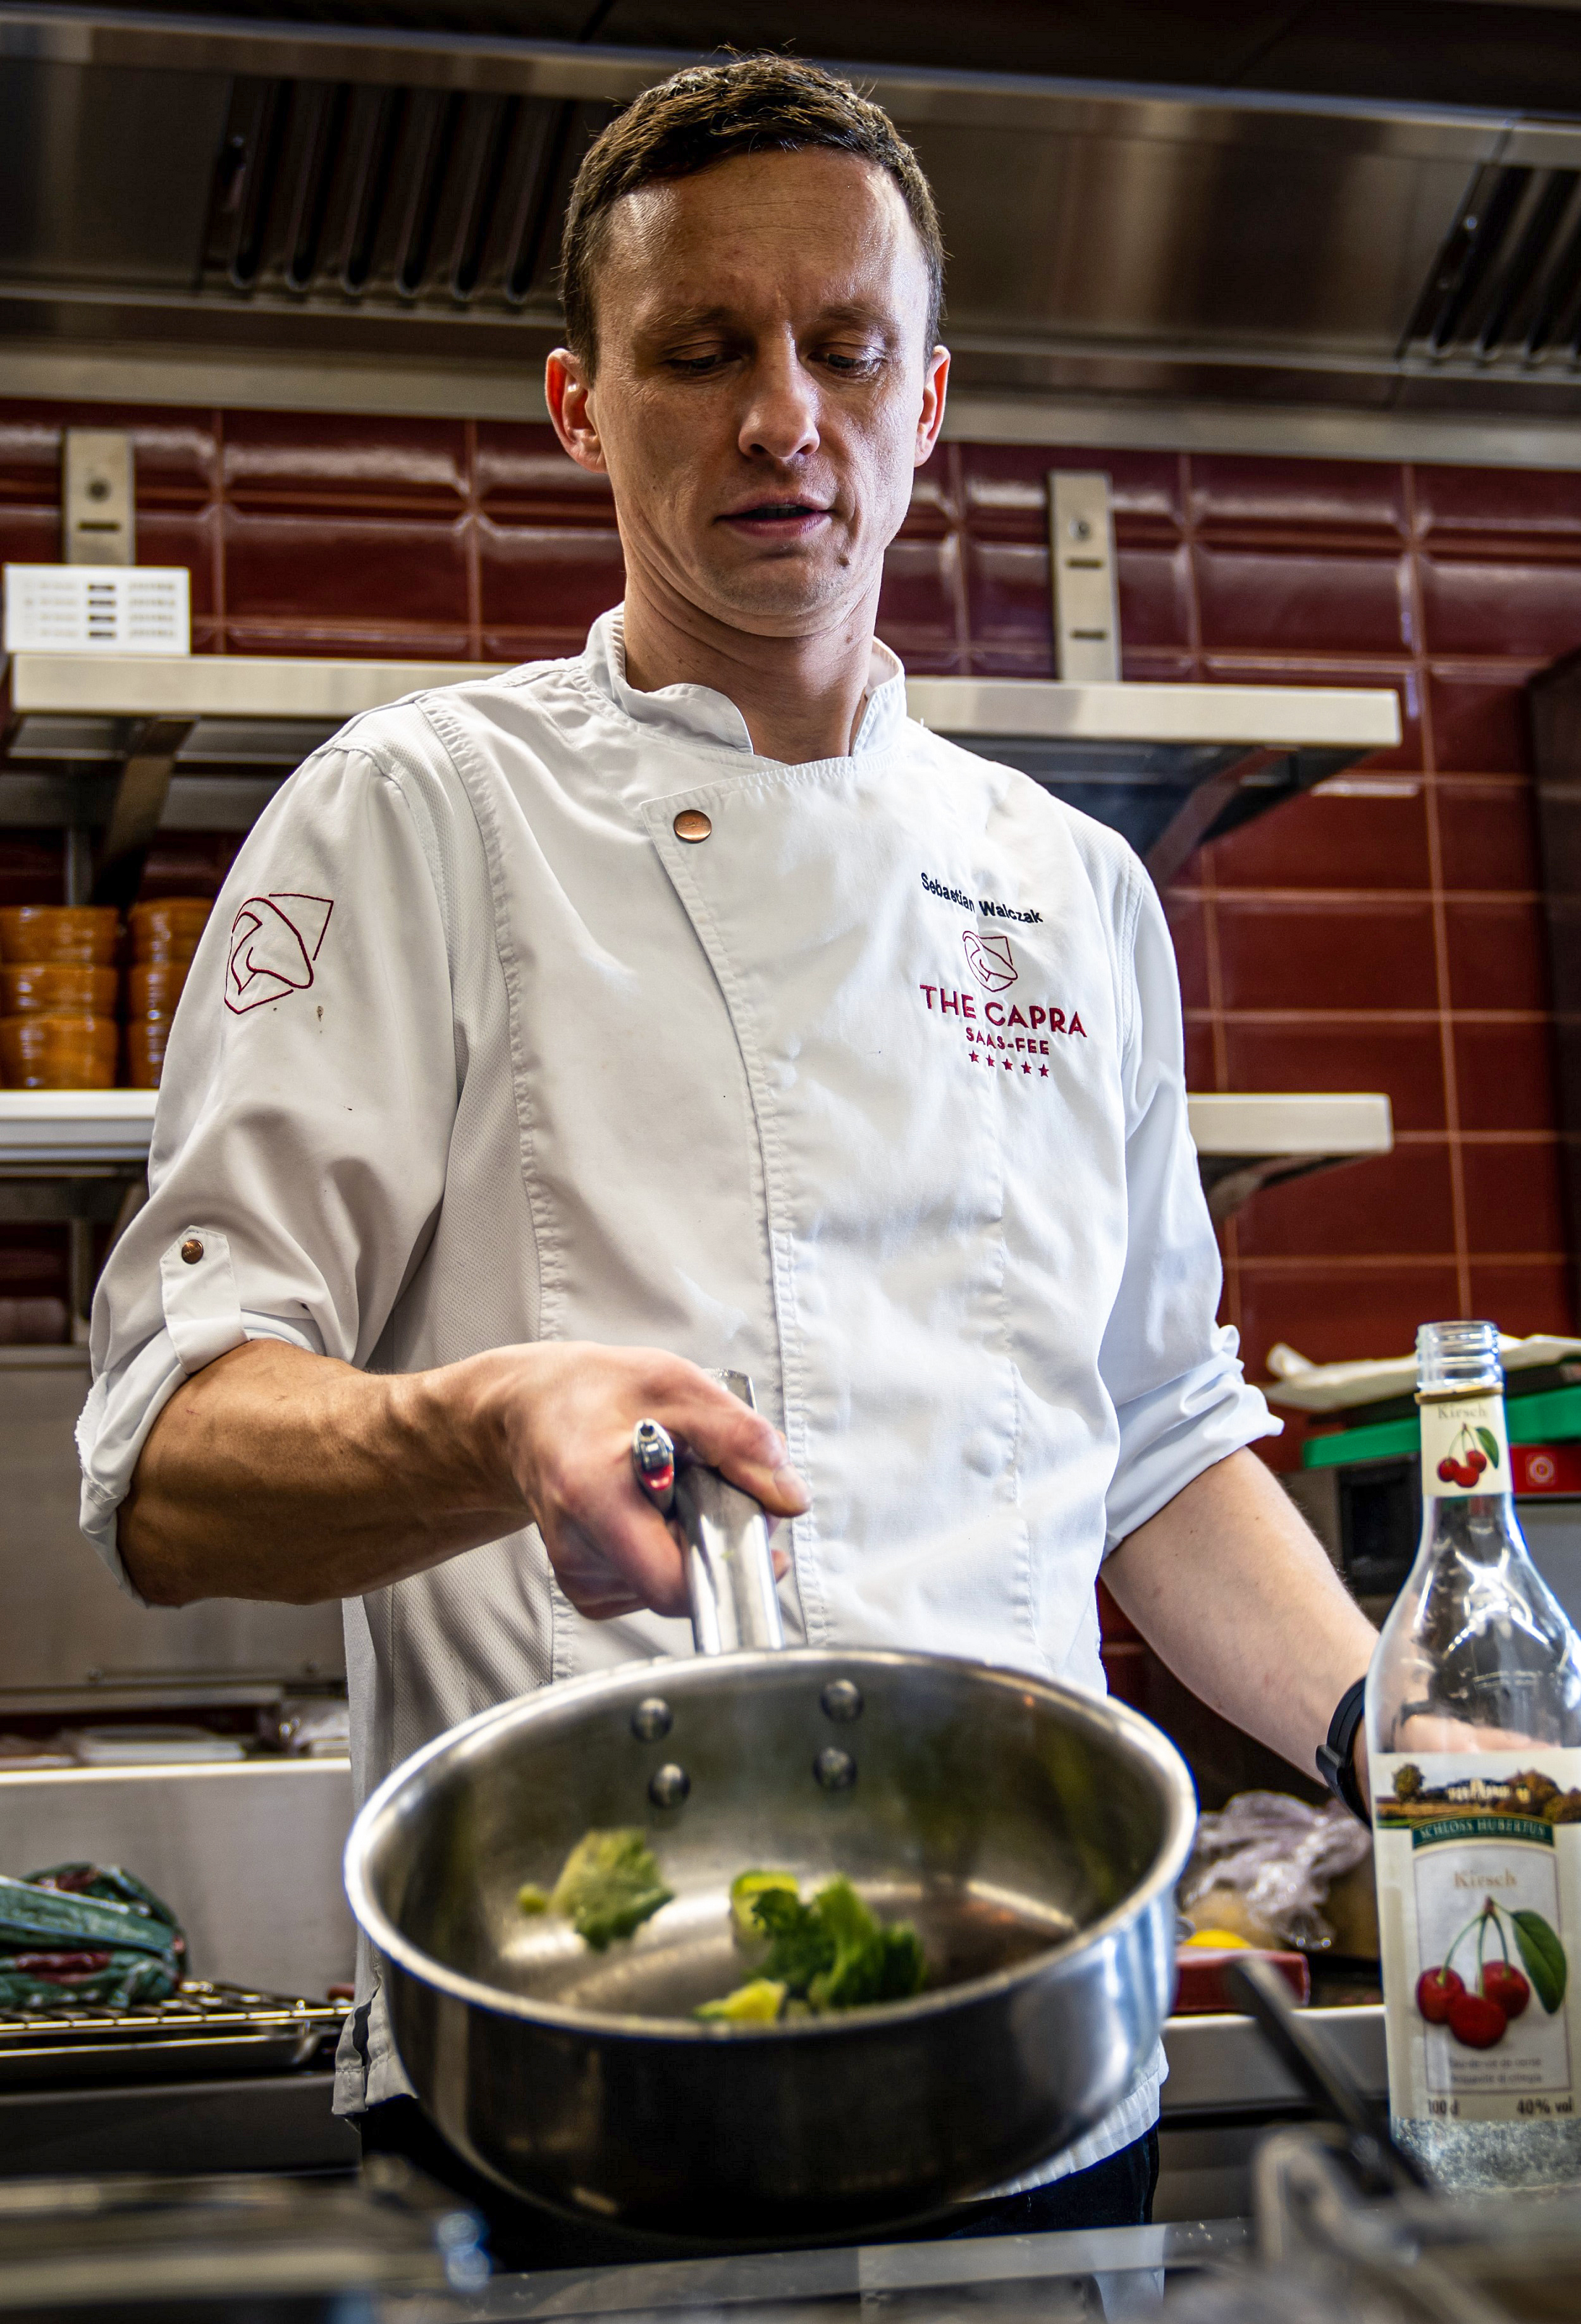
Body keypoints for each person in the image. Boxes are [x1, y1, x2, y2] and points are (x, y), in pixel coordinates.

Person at [77, 55, 1376, 2261]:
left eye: (845, 348)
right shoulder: (421, 815)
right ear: (583, 406)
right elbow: (173, 1461)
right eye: (703, 351)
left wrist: (1410, 1737)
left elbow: (1151, 1442)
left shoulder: (1067, 890)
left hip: (1047, 2077)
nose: (785, 416)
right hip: (575, 2082)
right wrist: (499, 1419)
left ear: (931, 399)